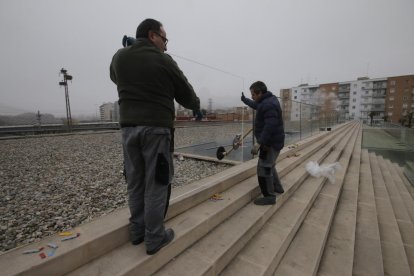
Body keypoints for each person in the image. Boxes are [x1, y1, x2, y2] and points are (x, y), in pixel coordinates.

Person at [110, 18, 200, 255]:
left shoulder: (119, 56)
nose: (166, 45)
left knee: (135, 181)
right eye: (164, 39)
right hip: (156, 131)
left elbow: (115, 76)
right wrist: (197, 106)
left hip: (128, 130)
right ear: (152, 35)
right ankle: (154, 238)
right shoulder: (164, 60)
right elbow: (187, 96)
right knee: (157, 184)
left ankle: (137, 231)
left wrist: (130, 51)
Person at [241, 81, 285, 205]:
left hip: (269, 144)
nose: (252, 97)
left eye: (253, 94)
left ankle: (269, 196)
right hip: (272, 142)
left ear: (260, 93)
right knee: (270, 165)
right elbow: (256, 105)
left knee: (263, 168)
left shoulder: (268, 104)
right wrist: (245, 100)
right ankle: (277, 187)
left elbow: (270, 126)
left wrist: (259, 143)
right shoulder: (267, 101)